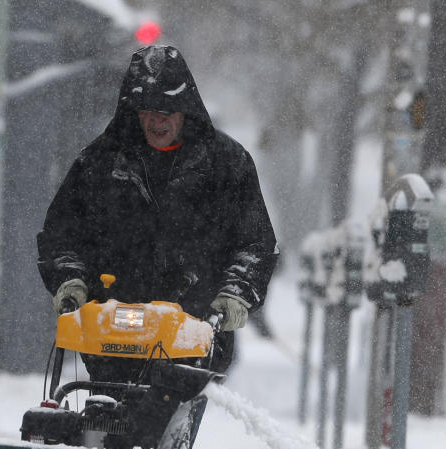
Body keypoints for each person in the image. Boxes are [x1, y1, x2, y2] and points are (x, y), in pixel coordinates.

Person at [37, 45, 278, 379]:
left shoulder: (227, 165)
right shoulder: (99, 164)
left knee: (159, 419)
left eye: (168, 109)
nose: (156, 119)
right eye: (147, 109)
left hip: (193, 337)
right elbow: (62, 233)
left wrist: (234, 294)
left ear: (186, 110)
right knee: (104, 420)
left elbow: (255, 243)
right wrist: (70, 279)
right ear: (133, 111)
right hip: (110, 337)